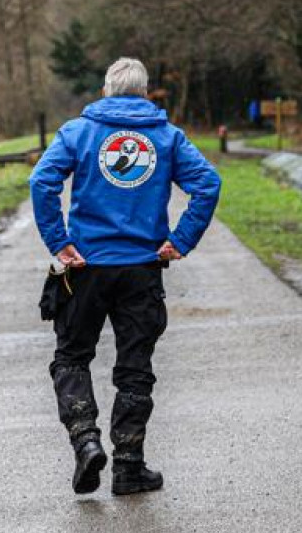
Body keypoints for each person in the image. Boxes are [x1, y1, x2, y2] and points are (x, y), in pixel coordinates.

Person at [29, 57, 223, 496]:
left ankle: (85, 440)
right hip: (142, 269)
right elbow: (207, 184)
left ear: (106, 89)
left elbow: (42, 181)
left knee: (72, 357)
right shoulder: (167, 138)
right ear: (145, 92)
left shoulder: (79, 132)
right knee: (135, 368)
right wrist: (180, 239)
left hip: (86, 267)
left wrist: (59, 241)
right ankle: (128, 468)